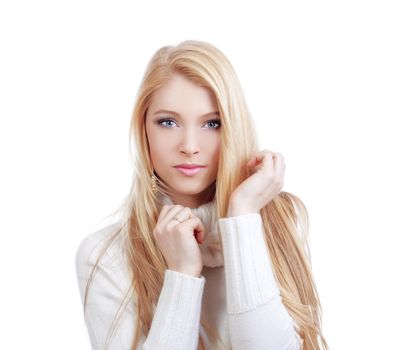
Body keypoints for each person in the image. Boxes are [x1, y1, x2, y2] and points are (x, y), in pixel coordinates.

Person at [75, 40, 329, 350]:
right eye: (168, 122)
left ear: (233, 127)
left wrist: (243, 215)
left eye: (212, 123)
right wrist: (182, 274)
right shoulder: (105, 255)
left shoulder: (280, 224)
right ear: (144, 129)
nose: (190, 145)